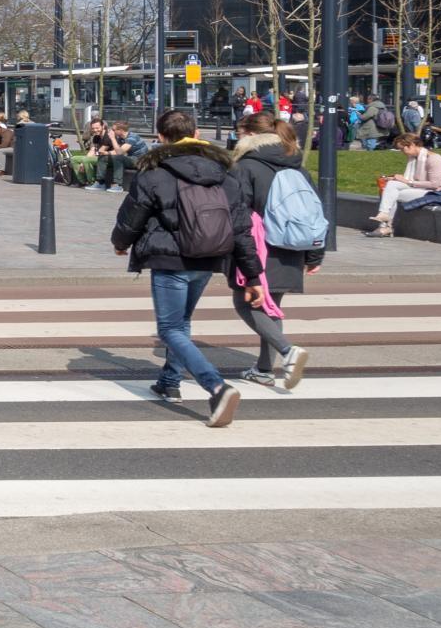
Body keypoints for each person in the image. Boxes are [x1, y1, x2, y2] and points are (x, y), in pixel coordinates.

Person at [110, 109, 265, 427]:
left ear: (162, 137)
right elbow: (241, 228)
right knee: (182, 323)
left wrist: (121, 242)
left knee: (170, 329)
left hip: (170, 259)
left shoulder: (153, 171)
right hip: (208, 258)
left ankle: (216, 387)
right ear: (195, 132)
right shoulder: (225, 171)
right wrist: (253, 275)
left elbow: (132, 215)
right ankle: (169, 381)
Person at [230, 108, 318, 390]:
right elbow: (314, 209)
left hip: (259, 246)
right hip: (292, 245)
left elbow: (238, 211)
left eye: (239, 132)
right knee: (271, 307)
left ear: (252, 135)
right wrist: (315, 252)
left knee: (246, 303)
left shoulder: (245, 166)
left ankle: (286, 351)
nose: (236, 137)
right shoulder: (296, 165)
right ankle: (264, 369)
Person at [371, 129, 441, 237]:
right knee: (391, 186)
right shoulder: (415, 158)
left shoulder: (434, 159)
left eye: (402, 149)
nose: (402, 152)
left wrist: (407, 181)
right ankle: (384, 215)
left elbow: (434, 184)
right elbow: (414, 180)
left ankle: (385, 226)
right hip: (422, 189)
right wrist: (396, 179)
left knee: (391, 194)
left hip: (438, 193)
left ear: (412, 145)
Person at [86, 118, 131, 191]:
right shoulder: (119, 138)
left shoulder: (131, 138)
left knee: (117, 158)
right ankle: (100, 183)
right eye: (93, 128)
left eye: (113, 130)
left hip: (136, 159)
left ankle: (117, 184)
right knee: (103, 157)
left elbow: (120, 152)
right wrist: (105, 153)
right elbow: (98, 150)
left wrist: (112, 139)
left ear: (120, 130)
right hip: (123, 157)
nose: (111, 131)